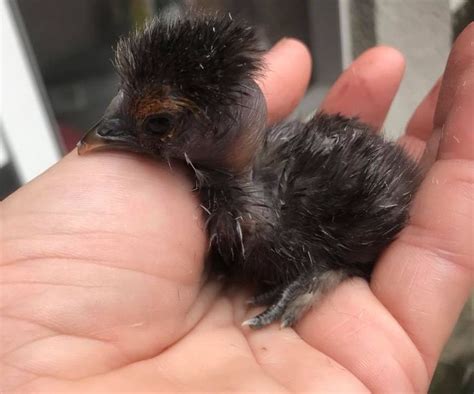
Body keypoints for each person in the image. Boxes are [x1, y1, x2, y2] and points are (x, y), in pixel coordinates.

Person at [1, 23, 472, 393]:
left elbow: (386, 205)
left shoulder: (308, 203)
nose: (102, 133)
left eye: (159, 123)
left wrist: (331, 270)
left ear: (222, 128)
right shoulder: (228, 188)